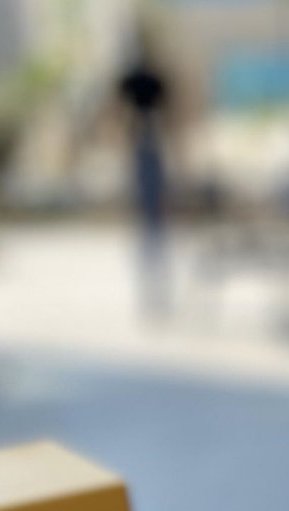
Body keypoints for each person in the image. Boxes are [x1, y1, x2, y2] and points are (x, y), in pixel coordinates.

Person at [116, 27, 173, 313]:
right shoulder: (135, 80)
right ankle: (152, 287)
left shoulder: (150, 80)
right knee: (148, 225)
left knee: (152, 223)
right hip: (142, 148)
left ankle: (156, 286)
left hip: (148, 148)